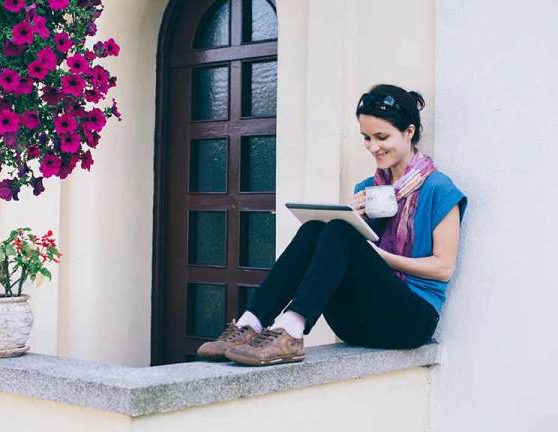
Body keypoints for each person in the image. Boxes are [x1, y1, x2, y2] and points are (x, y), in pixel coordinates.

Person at [196, 84, 468, 366]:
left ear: (409, 132)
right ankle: (249, 324)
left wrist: (378, 255)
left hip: (410, 322)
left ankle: (290, 330)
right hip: (355, 321)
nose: (373, 147)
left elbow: (443, 268)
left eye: (382, 137)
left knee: (339, 230)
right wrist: (355, 219)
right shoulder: (367, 189)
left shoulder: (438, 188)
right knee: (316, 228)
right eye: (366, 138)